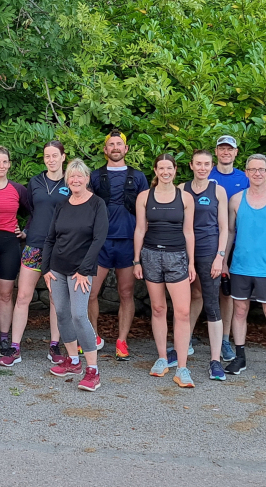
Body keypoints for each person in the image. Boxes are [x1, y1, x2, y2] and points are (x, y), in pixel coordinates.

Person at [224, 154, 266, 383]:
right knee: (239, 311)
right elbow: (230, 232)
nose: (257, 173)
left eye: (261, 169)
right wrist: (223, 259)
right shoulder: (235, 200)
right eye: (252, 169)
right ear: (246, 173)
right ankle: (240, 356)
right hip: (240, 267)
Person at [42, 159, 109, 392]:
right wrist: (46, 269)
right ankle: (73, 361)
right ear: (67, 180)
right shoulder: (61, 205)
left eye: (80, 176)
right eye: (72, 176)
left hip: (82, 271)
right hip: (57, 269)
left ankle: (93, 370)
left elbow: (98, 239)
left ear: (87, 179)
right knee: (61, 313)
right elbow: (50, 238)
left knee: (79, 315)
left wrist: (84, 270)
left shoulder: (97, 204)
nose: (76, 180)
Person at [2, 141, 68, 367]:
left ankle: (54, 346)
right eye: (47, 156)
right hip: (34, 245)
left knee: (55, 299)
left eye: (55, 155)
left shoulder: (70, 181)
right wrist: (26, 231)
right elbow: (31, 211)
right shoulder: (35, 182)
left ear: (63, 157)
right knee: (22, 297)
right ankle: (15, 347)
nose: (51, 160)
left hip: (59, 248)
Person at [134, 154, 197, 388]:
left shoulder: (185, 198)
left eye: (169, 168)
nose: (165, 172)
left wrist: (191, 263)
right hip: (150, 255)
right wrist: (136, 260)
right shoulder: (144, 197)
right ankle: (162, 358)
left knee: (182, 312)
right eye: (161, 168)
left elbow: (189, 232)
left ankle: (182, 367)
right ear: (155, 170)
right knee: (158, 308)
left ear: (175, 170)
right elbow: (140, 229)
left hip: (177, 256)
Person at [89, 131, 149, 360]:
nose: (115, 147)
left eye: (119, 144)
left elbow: (146, 212)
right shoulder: (94, 177)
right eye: (111, 144)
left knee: (126, 293)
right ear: (105, 150)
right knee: (91, 293)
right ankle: (92, 336)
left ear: (126, 149)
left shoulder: (139, 177)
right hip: (100, 242)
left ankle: (122, 341)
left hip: (128, 242)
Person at [177, 150, 229, 381]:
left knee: (211, 303)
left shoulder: (218, 190)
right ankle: (183, 343)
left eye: (207, 164)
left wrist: (220, 256)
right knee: (188, 299)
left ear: (212, 166)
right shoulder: (181, 189)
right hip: (183, 252)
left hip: (209, 251)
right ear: (191, 165)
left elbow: (225, 227)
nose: (203, 167)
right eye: (198, 163)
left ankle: (215, 360)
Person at [0, 146, 32, 360]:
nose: (1, 165)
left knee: (5, 294)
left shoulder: (18, 189)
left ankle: (3, 338)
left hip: (10, 243)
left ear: (9, 164)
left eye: (5, 162)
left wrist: (26, 230)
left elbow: (34, 212)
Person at [209, 135, 248, 363]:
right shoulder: (206, 175)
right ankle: (191, 334)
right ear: (216, 152)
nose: (226, 152)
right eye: (222, 148)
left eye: (229, 149)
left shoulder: (244, 179)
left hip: (235, 243)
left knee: (228, 293)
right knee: (198, 290)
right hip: (206, 240)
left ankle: (224, 339)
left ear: (235, 153)